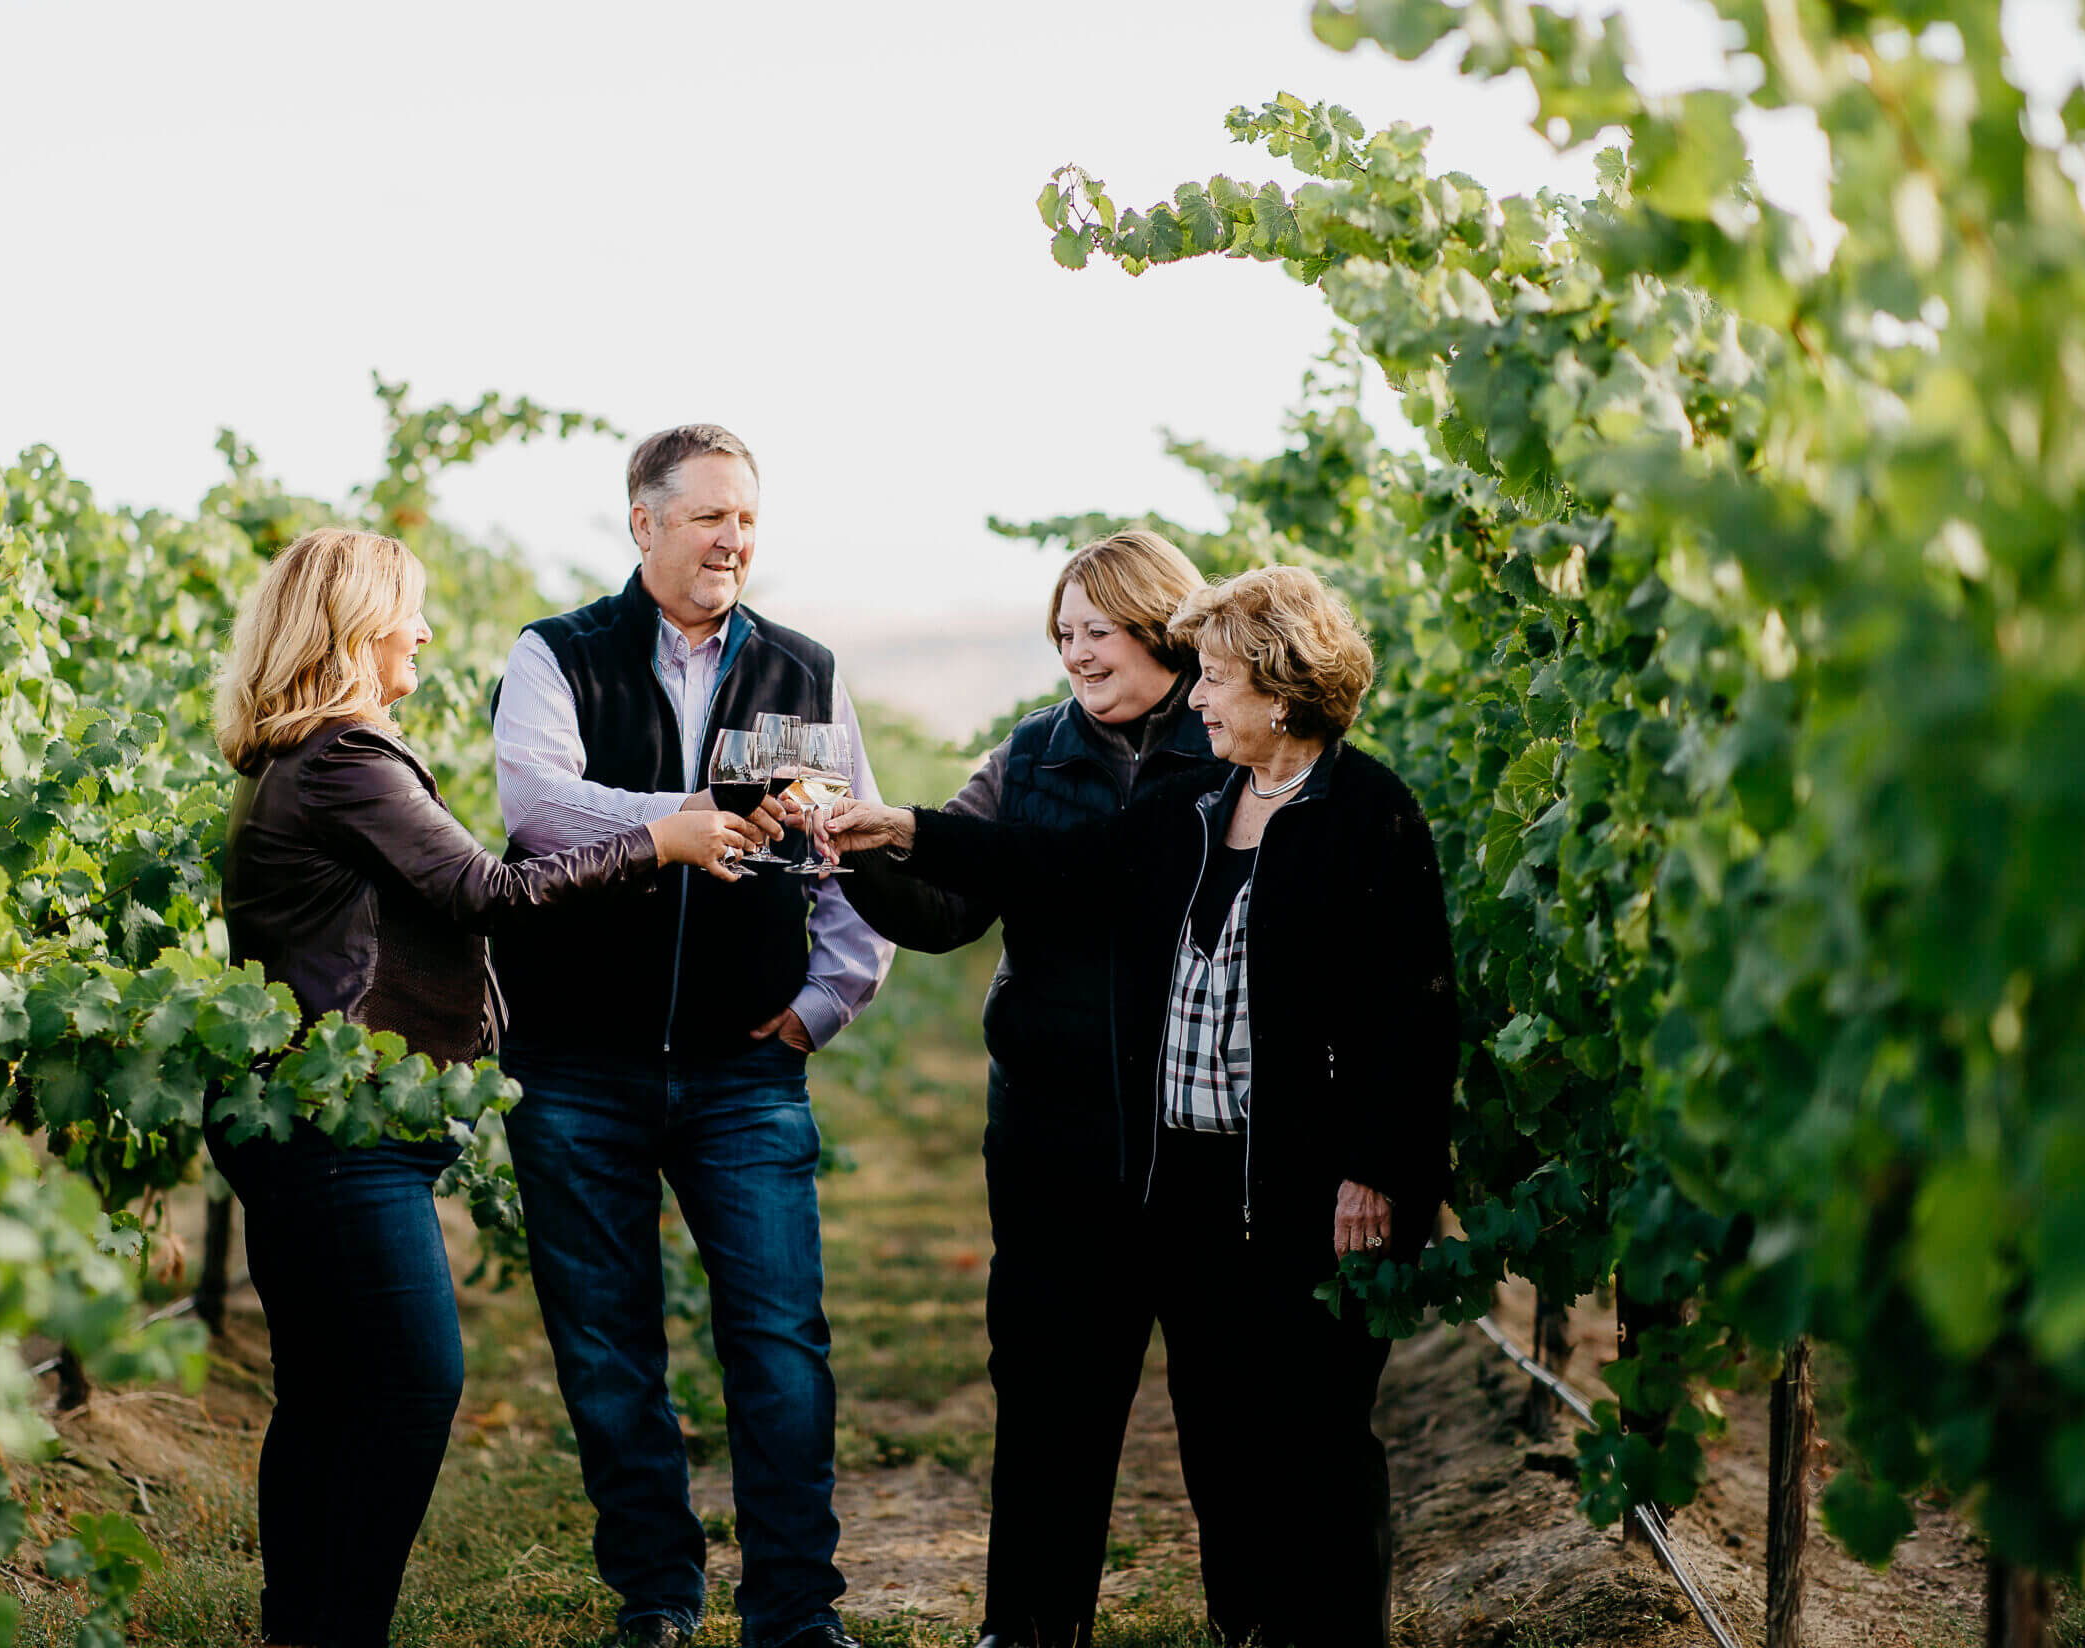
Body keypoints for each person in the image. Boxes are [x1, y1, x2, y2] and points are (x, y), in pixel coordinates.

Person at [822, 565, 1457, 1648]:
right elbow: (1041, 864)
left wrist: (1381, 1164)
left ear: (1269, 680)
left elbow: (1414, 1007)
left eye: (1213, 677)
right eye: (1060, 632)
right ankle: (1128, 1625)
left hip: (1280, 1175)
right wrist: (892, 833)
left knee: (1293, 1424)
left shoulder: (1351, 809)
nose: (1197, 699)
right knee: (1147, 1417)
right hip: (1142, 1165)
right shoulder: (1170, 796)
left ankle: (1298, 1628)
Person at [207, 527, 758, 1648]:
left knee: (321, 1397)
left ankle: (298, 1630)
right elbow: (486, 890)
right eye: (408, 610)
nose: (422, 630)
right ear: (354, 627)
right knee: (411, 1387)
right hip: (342, 1124)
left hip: (310, 1114)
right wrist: (659, 839)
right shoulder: (344, 760)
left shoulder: (296, 759)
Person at [488, 424, 893, 1648]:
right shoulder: (556, 654)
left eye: (748, 520)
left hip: (742, 1069)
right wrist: (689, 818)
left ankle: (793, 1608)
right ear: (643, 523)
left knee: (778, 1344)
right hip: (574, 1062)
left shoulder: (806, 672)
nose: (733, 539)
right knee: (610, 1350)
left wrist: (826, 1000)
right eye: (710, 516)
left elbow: (849, 851)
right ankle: (657, 1594)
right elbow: (539, 806)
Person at [832, 530, 1227, 1648]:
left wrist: (923, 836)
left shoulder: (1236, 738)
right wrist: (859, 855)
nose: (1076, 654)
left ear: (1158, 625)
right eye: (1063, 635)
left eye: (1095, 630)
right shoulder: (1029, 753)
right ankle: (1027, 1629)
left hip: (1203, 1140)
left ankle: (1253, 1621)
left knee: (1225, 1405)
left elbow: (1093, 870)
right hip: (1053, 1132)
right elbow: (948, 909)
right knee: (1051, 1392)